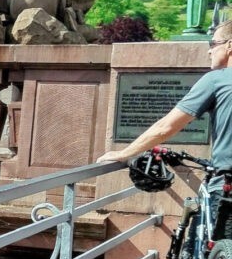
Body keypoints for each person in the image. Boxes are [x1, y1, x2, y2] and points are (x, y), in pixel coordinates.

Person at [97, 21, 232, 167]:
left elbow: (165, 128)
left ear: (229, 45)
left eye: (213, 44)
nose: (209, 51)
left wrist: (123, 154)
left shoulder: (216, 80)